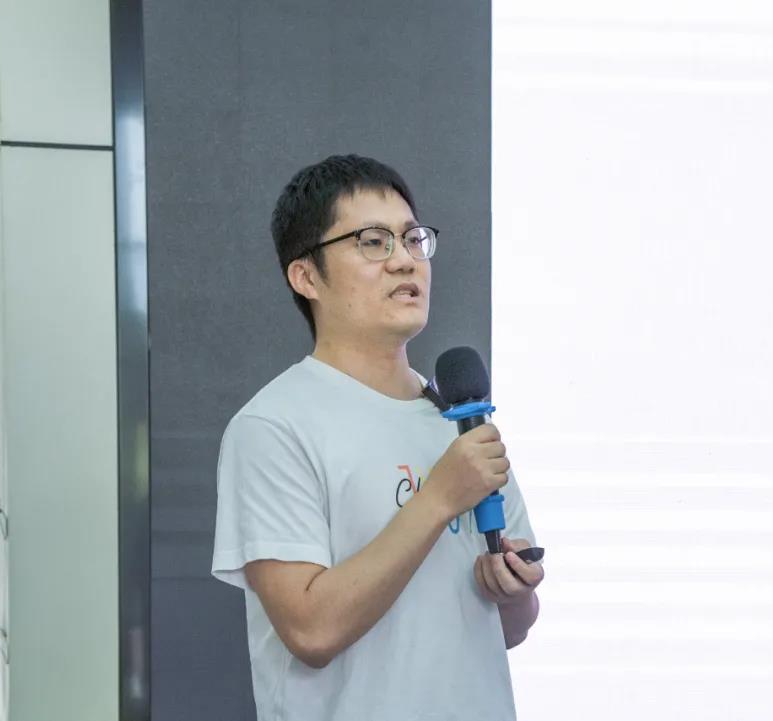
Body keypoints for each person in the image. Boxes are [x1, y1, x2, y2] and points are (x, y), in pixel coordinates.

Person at [211, 154, 543, 721]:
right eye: (373, 242)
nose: (405, 260)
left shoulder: (460, 419)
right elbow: (311, 631)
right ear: (306, 276)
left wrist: (513, 592)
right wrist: (438, 498)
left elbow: (508, 630)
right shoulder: (274, 426)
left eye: (413, 239)